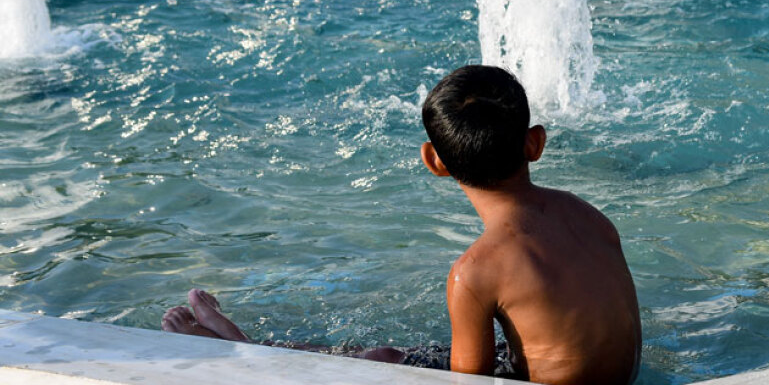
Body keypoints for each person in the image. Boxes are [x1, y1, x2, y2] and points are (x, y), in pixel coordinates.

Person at [162, 65, 641, 385]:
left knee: (378, 363)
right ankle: (248, 345)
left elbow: (463, 384)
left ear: (433, 161)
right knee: (393, 354)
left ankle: (246, 353)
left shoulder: (475, 272)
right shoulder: (589, 215)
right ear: (535, 143)